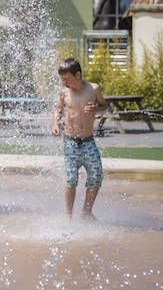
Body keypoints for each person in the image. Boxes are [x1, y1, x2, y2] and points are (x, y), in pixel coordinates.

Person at [52, 58, 107, 220]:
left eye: (66, 79)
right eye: (62, 79)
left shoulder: (93, 89)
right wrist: (55, 124)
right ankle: (68, 215)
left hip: (88, 142)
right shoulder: (64, 92)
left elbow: (105, 107)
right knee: (71, 179)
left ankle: (86, 212)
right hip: (70, 142)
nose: (64, 83)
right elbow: (58, 110)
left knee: (96, 175)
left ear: (78, 75)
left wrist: (96, 110)